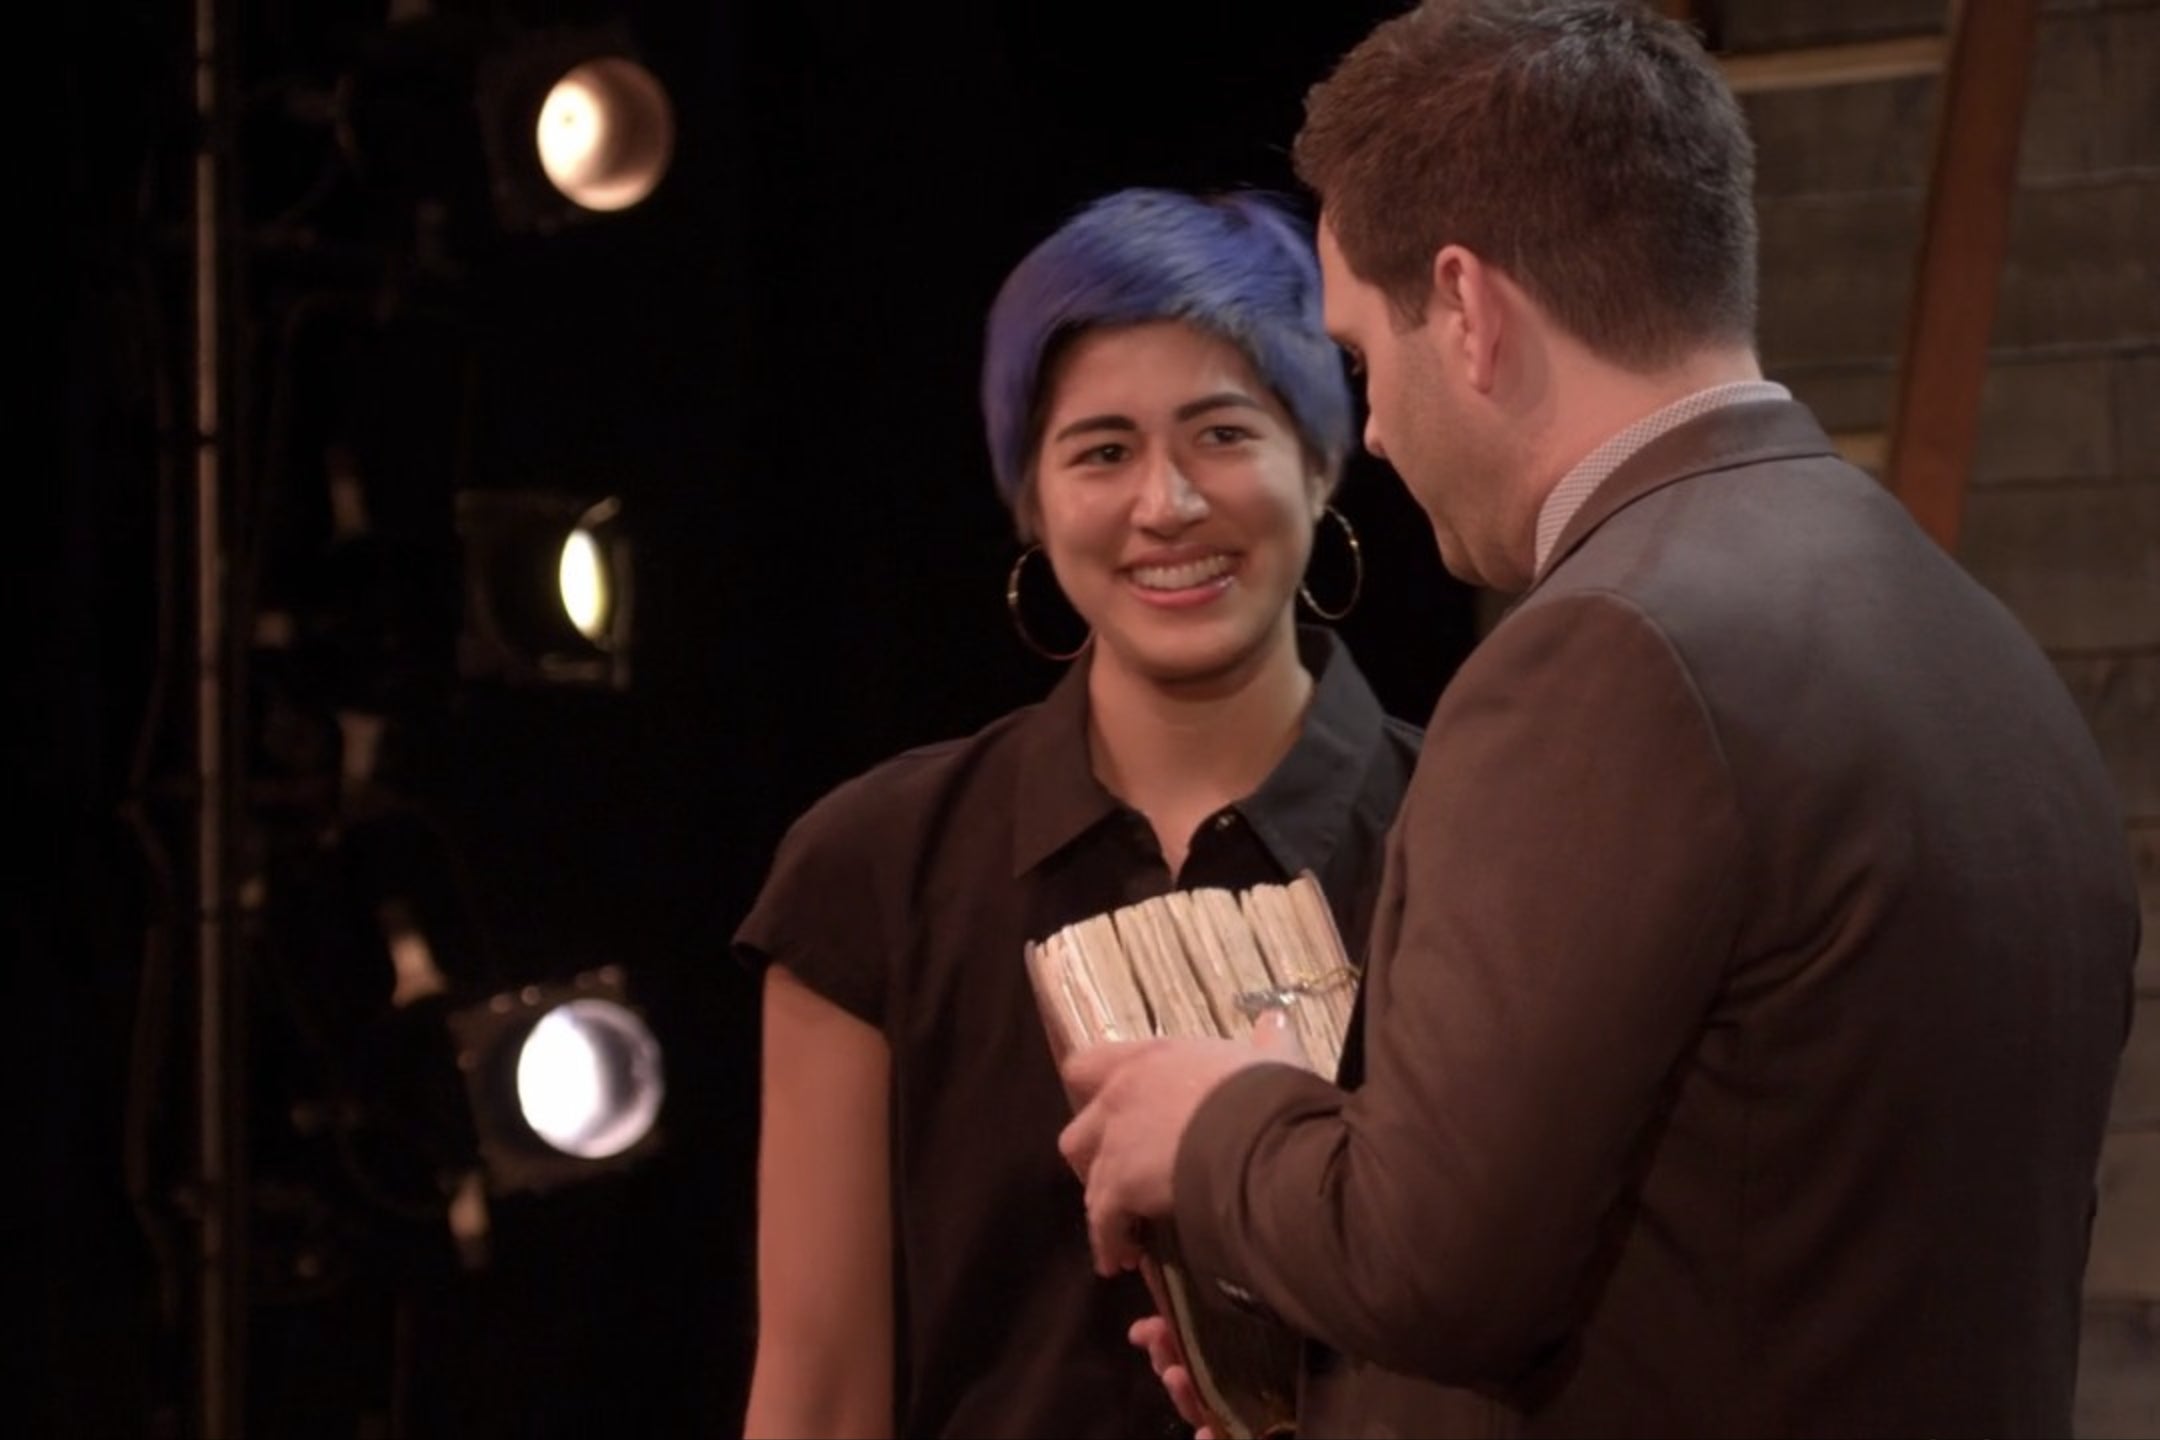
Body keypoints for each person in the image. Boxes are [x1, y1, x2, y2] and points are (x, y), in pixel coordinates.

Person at [1058, 4, 2143, 1437]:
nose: (1372, 433)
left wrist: (1207, 1124)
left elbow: (1428, 1259)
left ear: (1469, 307)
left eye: (1368, 362)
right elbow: (1738, 1255)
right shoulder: (1963, 629)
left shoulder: (1604, 655)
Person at [733, 185, 1422, 1439]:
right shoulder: (875, 866)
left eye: (1224, 434)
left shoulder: (1469, 828)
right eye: (1101, 452)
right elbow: (821, 1388)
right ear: (1029, 506)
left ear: (1321, 462)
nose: (1167, 505)